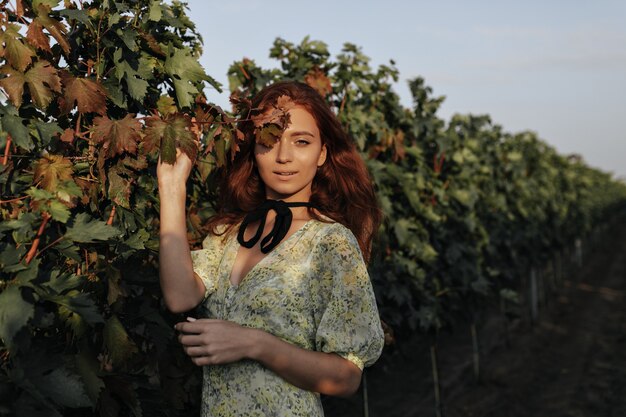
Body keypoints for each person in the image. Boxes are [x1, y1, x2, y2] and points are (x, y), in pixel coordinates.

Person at [157, 81, 385, 416]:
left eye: (301, 142)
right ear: (254, 146)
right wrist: (172, 184)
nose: (283, 156)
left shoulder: (330, 243)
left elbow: (347, 378)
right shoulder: (231, 233)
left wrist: (254, 343)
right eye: (271, 139)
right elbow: (179, 296)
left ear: (322, 153)